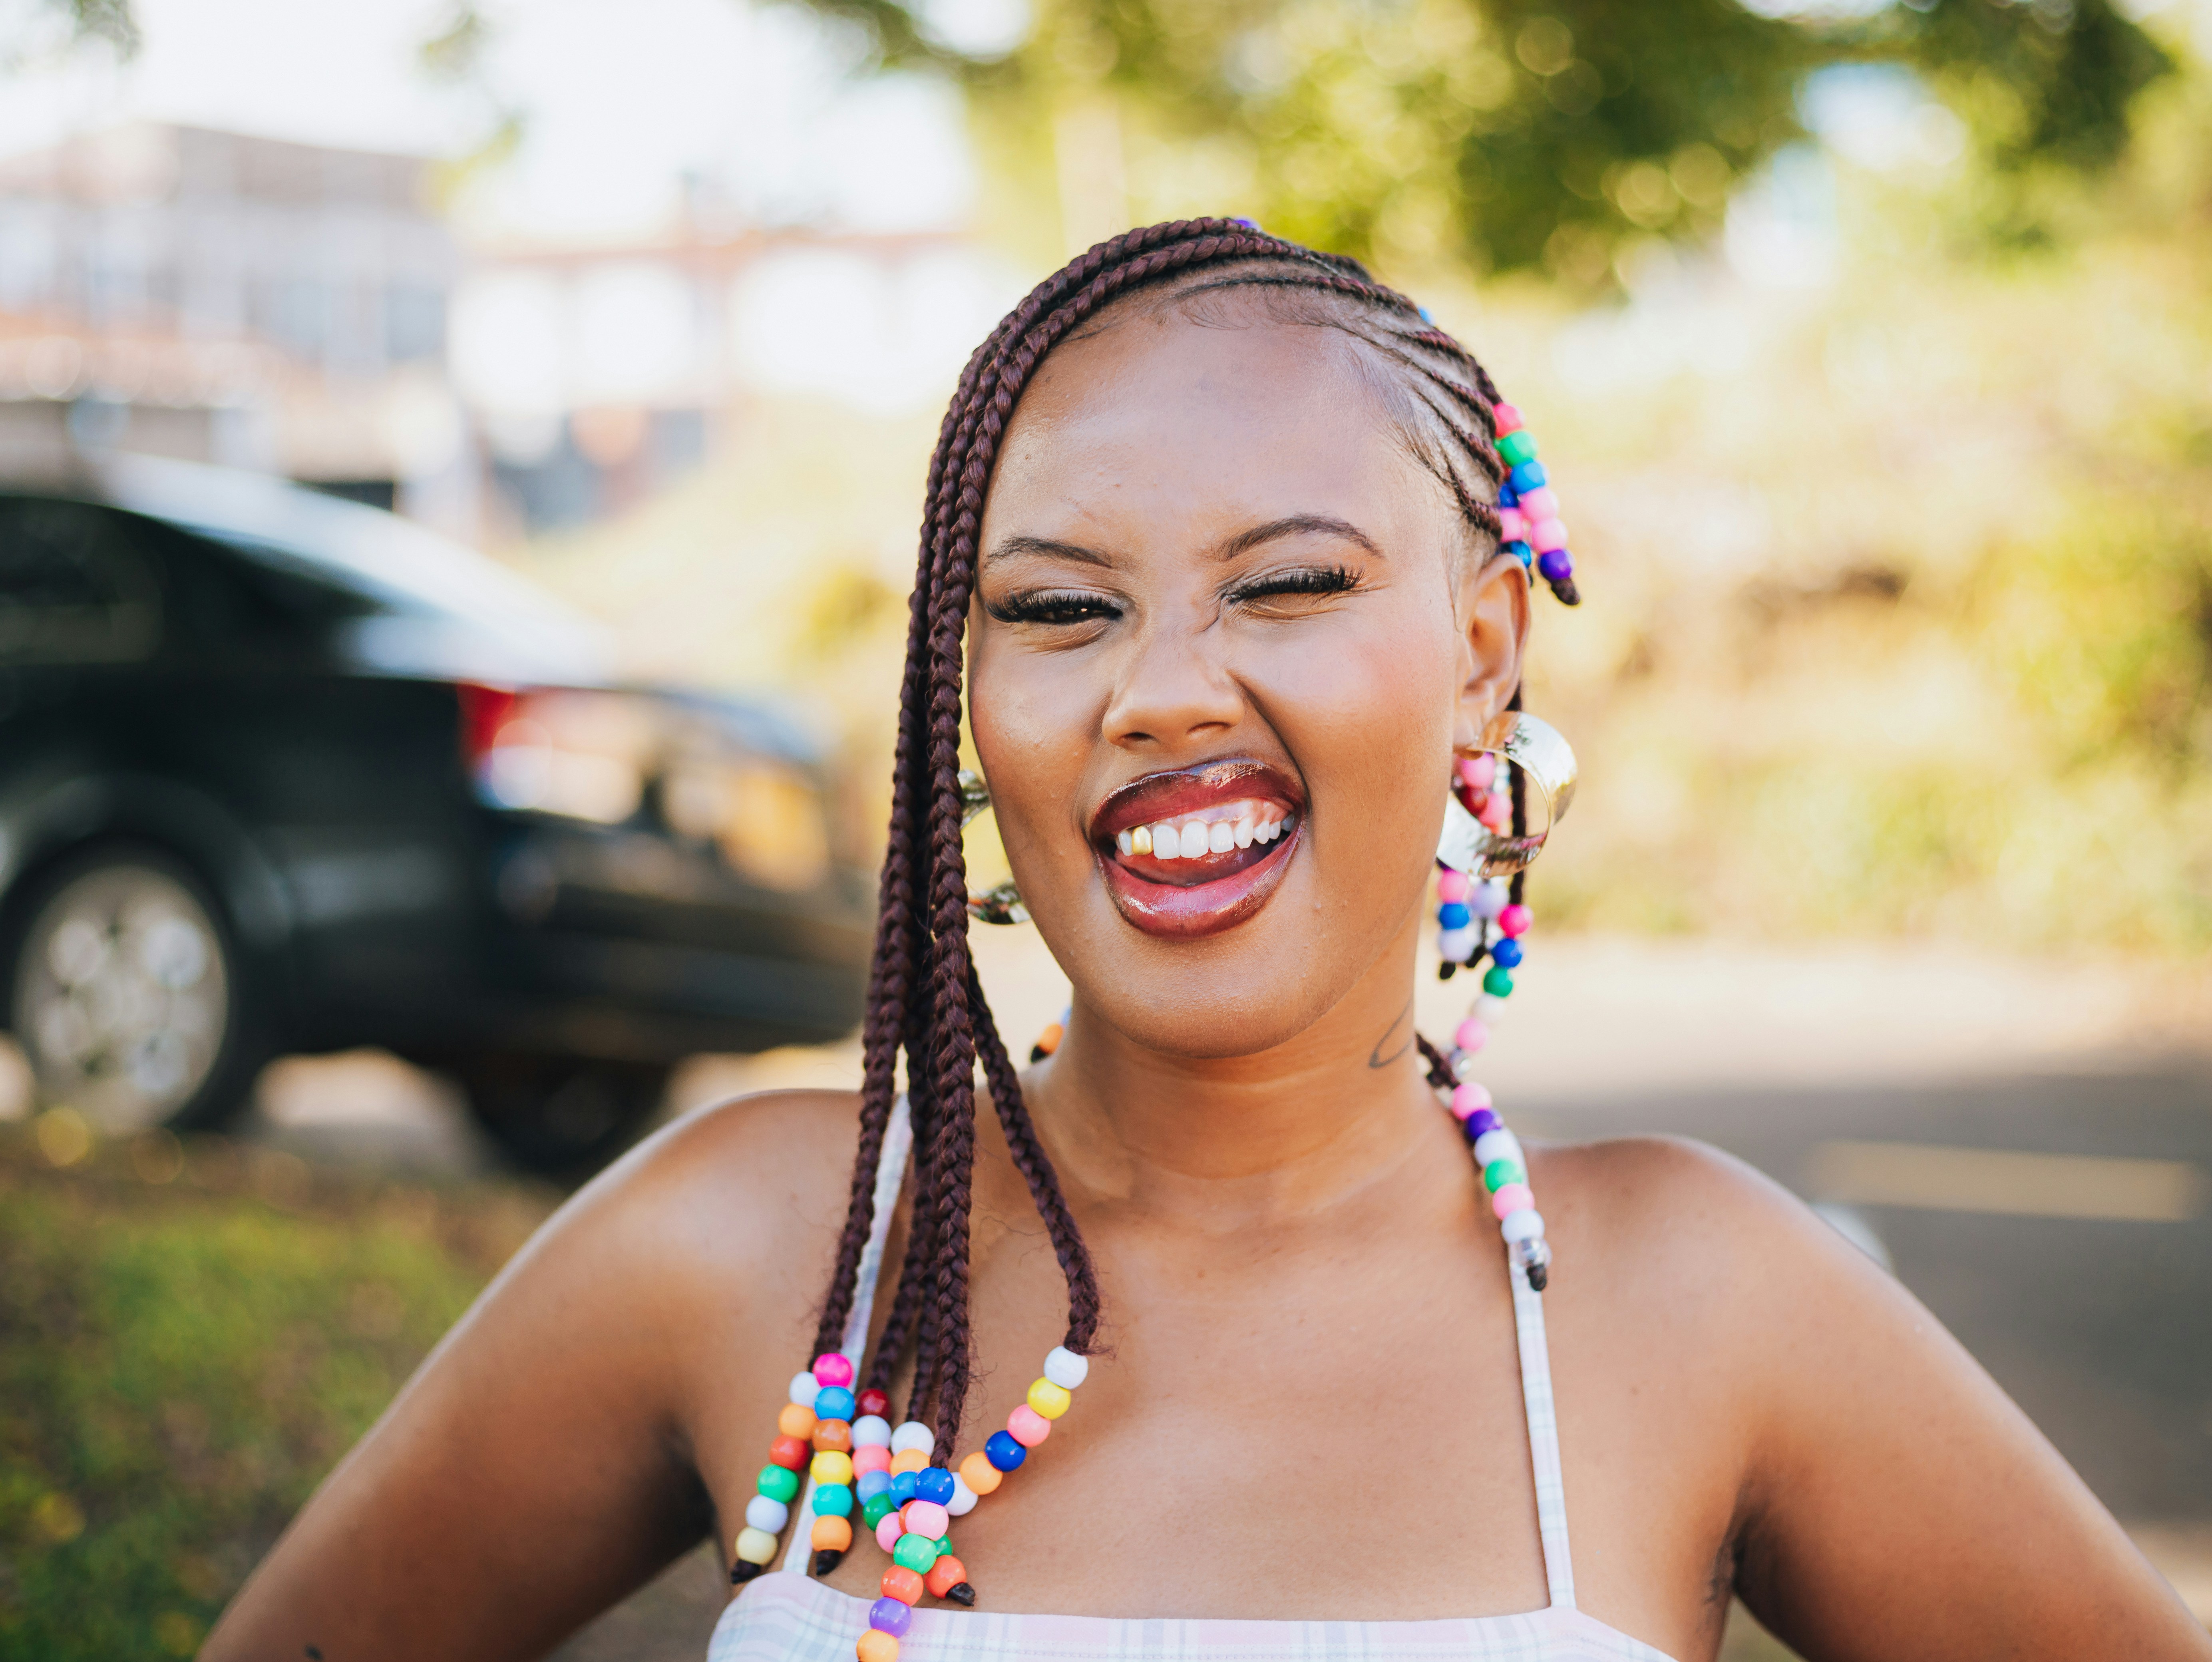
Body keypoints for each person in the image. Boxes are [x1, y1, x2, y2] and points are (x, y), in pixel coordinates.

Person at [204, 220, 2210, 1662]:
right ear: (963, 699)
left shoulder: (1694, 1298)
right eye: (1061, 610)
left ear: (1484, 655)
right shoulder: (764, 1246)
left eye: (1288, 582)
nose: (1159, 689)